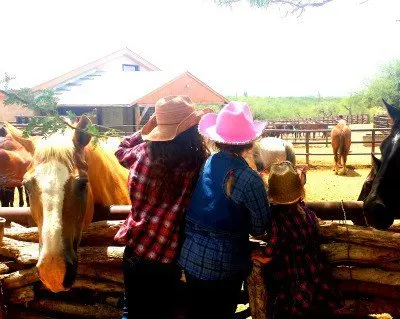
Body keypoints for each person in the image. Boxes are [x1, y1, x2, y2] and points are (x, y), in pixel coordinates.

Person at [114, 96, 211, 319]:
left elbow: (120, 150)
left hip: (135, 249)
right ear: (191, 130)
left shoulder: (141, 154)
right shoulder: (197, 163)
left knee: (134, 309)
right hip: (168, 255)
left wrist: (145, 129)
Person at [178, 101, 272, 319]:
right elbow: (260, 227)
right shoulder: (250, 178)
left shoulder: (209, 162)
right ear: (249, 141)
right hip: (225, 264)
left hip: (191, 256)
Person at [254, 161, 341, 319]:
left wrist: (260, 256)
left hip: (296, 276)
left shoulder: (278, 220)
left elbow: (271, 249)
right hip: (316, 271)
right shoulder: (307, 212)